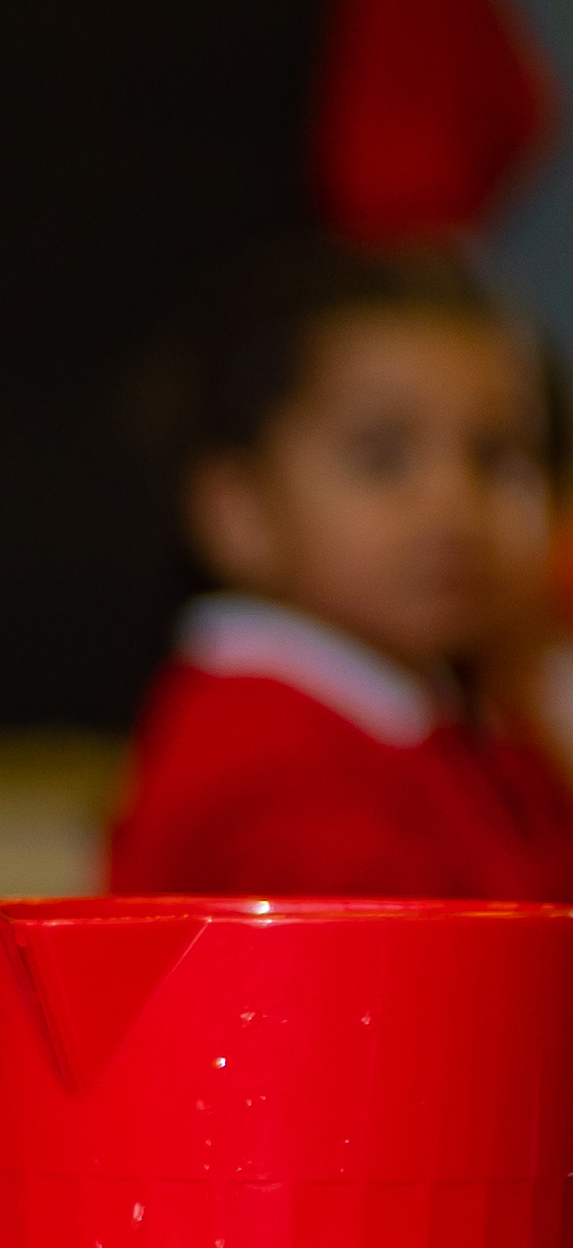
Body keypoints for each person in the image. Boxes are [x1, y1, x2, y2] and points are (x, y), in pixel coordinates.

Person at [104, 238, 573, 903]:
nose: (454, 504)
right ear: (239, 514)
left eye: (495, 459)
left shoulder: (456, 714)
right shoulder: (262, 749)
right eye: (382, 458)